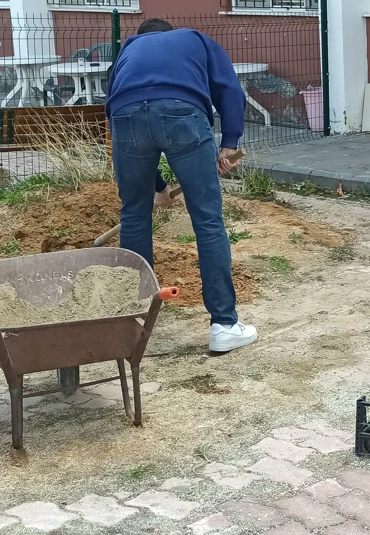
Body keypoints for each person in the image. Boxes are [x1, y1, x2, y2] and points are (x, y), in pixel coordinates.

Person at [105, 18, 256, 353]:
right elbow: (230, 89)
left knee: (133, 215)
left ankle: (134, 323)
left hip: (126, 118)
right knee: (207, 219)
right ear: (168, 32)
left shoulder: (128, 49)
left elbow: (115, 103)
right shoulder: (195, 39)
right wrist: (229, 142)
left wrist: (155, 187)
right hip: (181, 113)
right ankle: (224, 326)